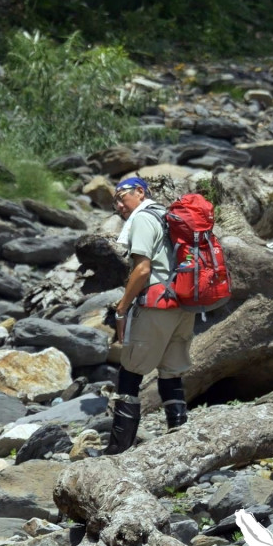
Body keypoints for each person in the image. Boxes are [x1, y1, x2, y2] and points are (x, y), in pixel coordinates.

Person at [108, 176, 194, 454]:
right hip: (183, 305)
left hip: (157, 305)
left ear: (140, 192)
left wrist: (122, 308)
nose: (118, 205)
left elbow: (142, 269)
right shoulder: (167, 215)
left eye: (122, 197)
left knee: (130, 373)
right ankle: (179, 447)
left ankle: (117, 451)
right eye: (115, 201)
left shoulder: (143, 218)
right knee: (171, 374)